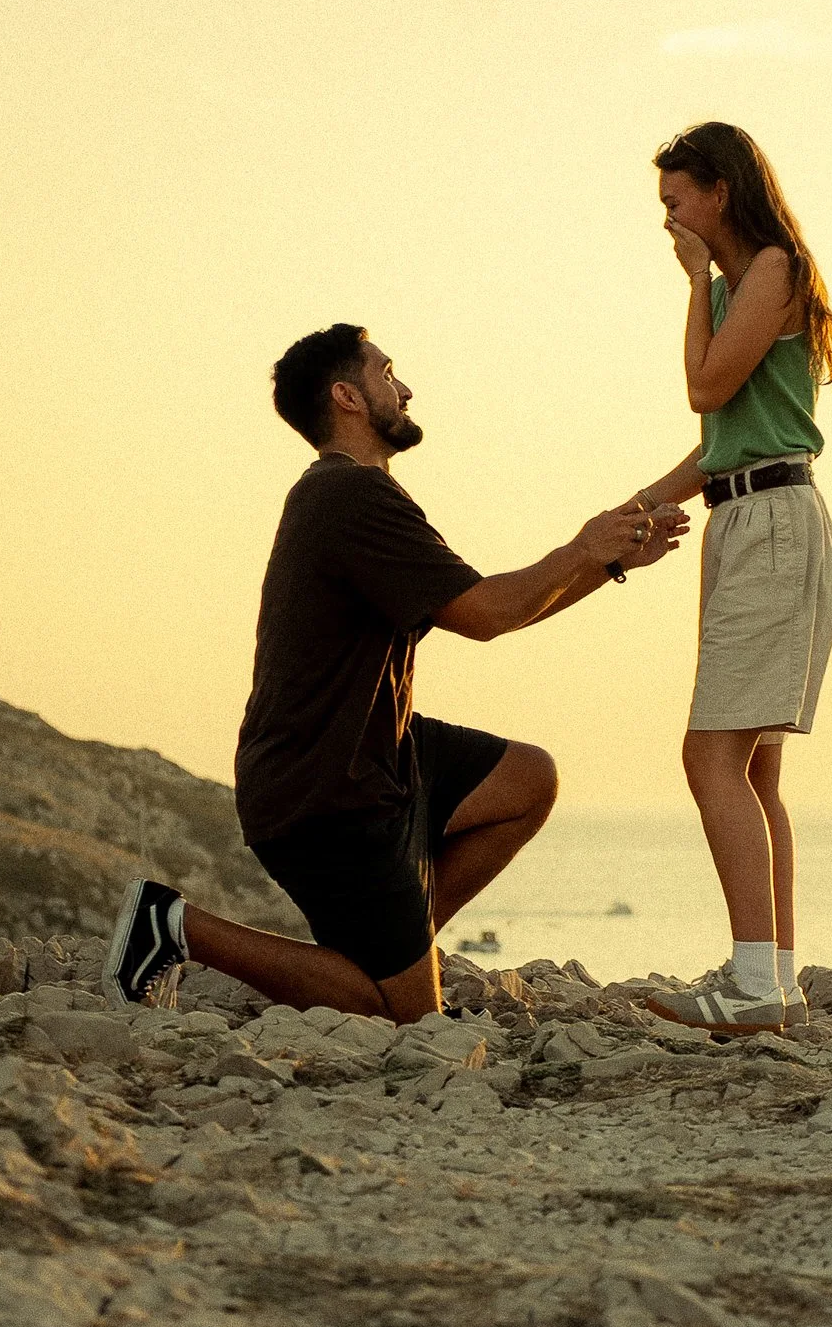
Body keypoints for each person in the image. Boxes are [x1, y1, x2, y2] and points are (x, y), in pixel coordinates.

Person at [102, 324, 689, 1019]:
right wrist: (583, 545)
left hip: (382, 754)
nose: (404, 387)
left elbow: (503, 608)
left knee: (527, 778)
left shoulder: (358, 495)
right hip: (323, 790)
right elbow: (487, 612)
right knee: (402, 1015)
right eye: (387, 372)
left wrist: (606, 560)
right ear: (347, 395)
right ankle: (173, 925)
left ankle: (390, 943)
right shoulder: (348, 497)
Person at [624, 122, 832, 1035]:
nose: (668, 217)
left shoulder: (768, 272)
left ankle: (754, 983)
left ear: (719, 190)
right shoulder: (740, 284)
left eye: (677, 198)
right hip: (749, 512)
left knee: (709, 753)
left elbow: (708, 389)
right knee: (753, 768)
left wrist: (690, 287)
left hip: (772, 524)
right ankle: (774, 979)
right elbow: (725, 436)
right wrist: (641, 501)